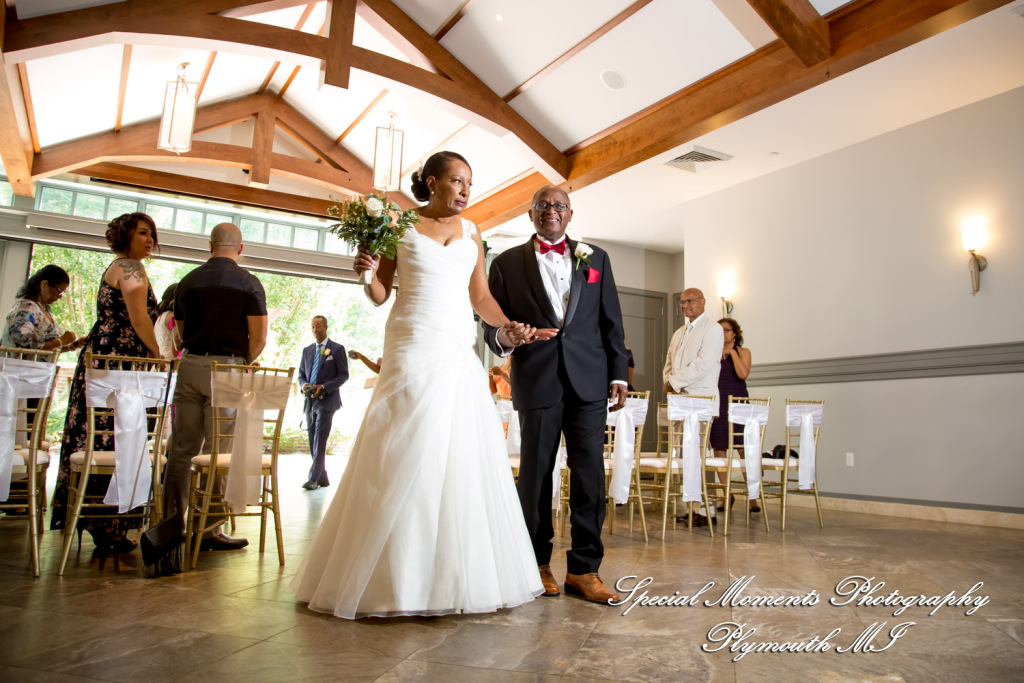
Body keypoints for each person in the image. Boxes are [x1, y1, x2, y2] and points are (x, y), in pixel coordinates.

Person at [292, 151, 549, 618]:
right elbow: (379, 295)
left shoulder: (473, 232)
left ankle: (449, 578)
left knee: (456, 453)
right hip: (411, 341)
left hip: (455, 346)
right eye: (457, 181)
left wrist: (508, 326)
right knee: (402, 449)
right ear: (431, 182)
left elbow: (480, 296)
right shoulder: (398, 228)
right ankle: (393, 579)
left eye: (470, 182)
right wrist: (365, 273)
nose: (466, 190)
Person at [483, 185, 629, 604]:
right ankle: (536, 564)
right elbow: (491, 328)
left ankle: (584, 570)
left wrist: (618, 373)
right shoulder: (507, 263)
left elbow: (611, 322)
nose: (552, 210)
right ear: (531, 214)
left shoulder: (595, 257)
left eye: (559, 205)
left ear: (570, 214)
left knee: (589, 478)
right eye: (544, 205)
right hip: (538, 378)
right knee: (534, 478)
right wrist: (507, 336)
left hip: (590, 382)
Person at [51, 213, 162, 554]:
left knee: (102, 434)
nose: (149, 239)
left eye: (151, 234)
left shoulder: (120, 266)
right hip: (119, 360)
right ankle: (109, 522)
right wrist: (159, 354)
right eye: (142, 233)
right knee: (115, 435)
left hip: (104, 355)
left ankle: (100, 519)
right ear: (125, 236)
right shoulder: (130, 267)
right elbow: (139, 317)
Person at [161, 223, 268, 553]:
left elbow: (179, 335)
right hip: (228, 368)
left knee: (181, 447)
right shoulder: (249, 283)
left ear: (210, 246)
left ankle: (171, 526)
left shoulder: (188, 282)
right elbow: (259, 338)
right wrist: (240, 364)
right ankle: (208, 528)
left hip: (190, 364)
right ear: (241, 248)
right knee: (218, 450)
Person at [662, 288, 725, 526]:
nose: (685, 305)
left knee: (698, 455)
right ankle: (691, 508)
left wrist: (675, 382)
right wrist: (668, 381)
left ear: (702, 302)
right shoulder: (679, 332)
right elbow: (668, 362)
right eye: (682, 302)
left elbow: (705, 363)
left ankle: (706, 511)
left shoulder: (713, 329)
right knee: (682, 454)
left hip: (699, 401)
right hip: (679, 401)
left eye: (690, 301)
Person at [297, 315, 349, 490]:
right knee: (312, 439)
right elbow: (301, 375)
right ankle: (323, 477)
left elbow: (343, 375)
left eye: (318, 326)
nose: (315, 329)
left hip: (327, 401)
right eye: (312, 326)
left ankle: (312, 478)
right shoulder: (307, 351)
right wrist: (304, 385)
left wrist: (324, 387)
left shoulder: (337, 349)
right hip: (309, 401)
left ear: (325, 327)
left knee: (320, 438)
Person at [709, 318, 754, 511]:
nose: (724, 333)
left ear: (735, 333)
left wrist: (731, 354)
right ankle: (726, 494)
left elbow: (743, 373)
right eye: (720, 331)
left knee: (744, 448)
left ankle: (753, 496)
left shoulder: (744, 352)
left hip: (738, 402)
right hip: (718, 403)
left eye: (727, 330)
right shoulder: (711, 353)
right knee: (719, 448)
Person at [2, 264, 81, 353]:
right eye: (59, 291)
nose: (60, 297)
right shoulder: (27, 308)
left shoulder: (43, 308)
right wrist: (61, 341)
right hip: (19, 366)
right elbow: (24, 346)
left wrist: (73, 345)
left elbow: (47, 348)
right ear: (44, 284)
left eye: (62, 293)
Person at [153, 283, 180, 360]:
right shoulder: (173, 318)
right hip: (170, 364)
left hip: (160, 362)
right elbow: (176, 349)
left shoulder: (160, 317)